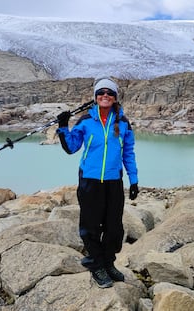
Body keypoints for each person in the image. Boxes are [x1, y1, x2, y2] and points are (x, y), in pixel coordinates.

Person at [56, 77, 139, 288]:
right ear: (95, 97)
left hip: (113, 181)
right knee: (90, 226)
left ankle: (108, 262)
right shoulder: (85, 121)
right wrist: (63, 126)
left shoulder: (123, 122)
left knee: (113, 227)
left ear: (115, 98)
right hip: (90, 181)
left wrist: (134, 180)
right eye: (101, 93)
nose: (105, 96)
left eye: (109, 93)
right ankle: (96, 265)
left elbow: (128, 153)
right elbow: (71, 148)